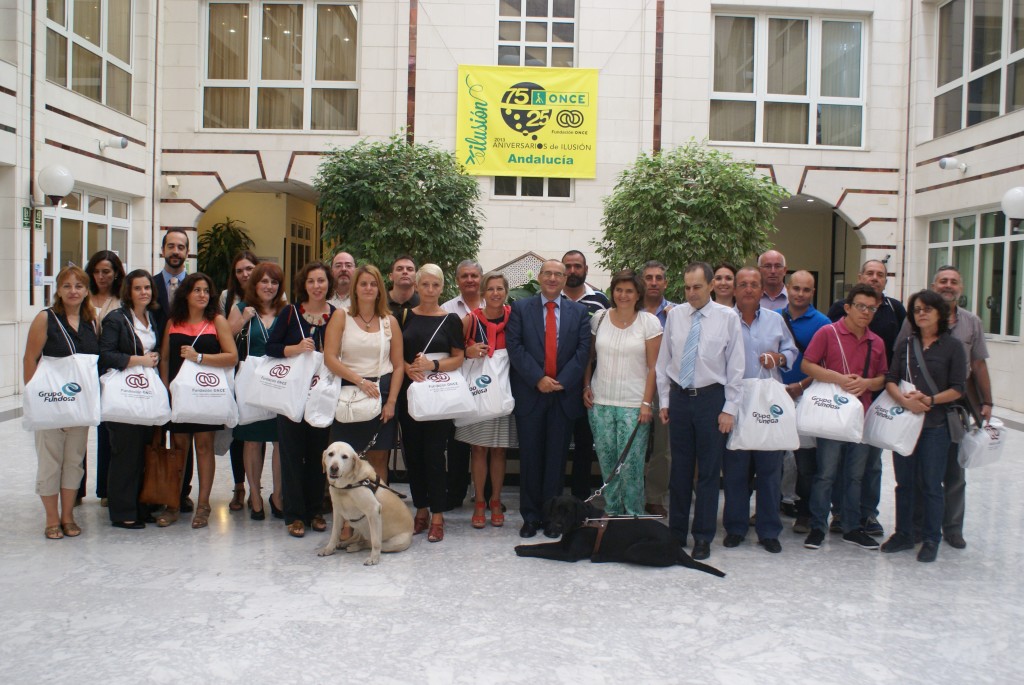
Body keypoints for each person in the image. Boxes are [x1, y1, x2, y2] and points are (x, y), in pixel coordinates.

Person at [895, 265, 993, 550]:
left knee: (953, 472)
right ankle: (916, 529)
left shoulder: (971, 322)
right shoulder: (913, 322)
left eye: (953, 282)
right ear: (934, 285)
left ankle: (951, 529)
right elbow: (900, 358)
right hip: (917, 405)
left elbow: (978, 364)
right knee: (920, 472)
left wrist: (987, 401)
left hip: (955, 405)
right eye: (943, 281)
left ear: (960, 288)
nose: (948, 285)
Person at [655, 262, 745, 561]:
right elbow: (664, 361)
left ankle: (703, 537)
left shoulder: (727, 318)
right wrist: (665, 401)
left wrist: (730, 408)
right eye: (687, 287)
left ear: (711, 286)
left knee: (707, 472)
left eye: (697, 287)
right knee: (679, 470)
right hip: (680, 399)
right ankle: (676, 533)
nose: (691, 293)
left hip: (711, 400)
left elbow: (736, 366)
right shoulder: (675, 315)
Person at [880, 290, 967, 563]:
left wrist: (929, 400)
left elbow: (958, 388)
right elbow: (890, 378)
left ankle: (931, 538)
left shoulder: (953, 347)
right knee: (904, 483)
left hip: (935, 426)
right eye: (917, 310)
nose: (921, 314)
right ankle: (904, 533)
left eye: (927, 309)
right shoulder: (906, 344)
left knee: (931, 484)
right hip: (905, 423)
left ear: (940, 313)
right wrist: (903, 400)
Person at [800, 283, 888, 551]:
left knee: (855, 476)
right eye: (860, 306)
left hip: (861, 417)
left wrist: (867, 383)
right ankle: (817, 527)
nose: (866, 312)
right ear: (848, 307)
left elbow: (883, 378)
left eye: (871, 308)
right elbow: (807, 365)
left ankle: (851, 527)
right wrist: (839, 379)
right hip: (832, 414)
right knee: (826, 474)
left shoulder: (877, 342)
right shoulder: (828, 333)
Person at [507, 259, 591, 539]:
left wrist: (561, 382)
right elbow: (515, 347)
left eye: (558, 274)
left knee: (556, 461)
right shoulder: (520, 308)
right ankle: (530, 517)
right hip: (531, 394)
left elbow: (583, 351)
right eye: (548, 273)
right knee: (530, 459)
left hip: (563, 396)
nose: (553, 278)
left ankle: (553, 519)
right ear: (540, 277)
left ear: (565, 279)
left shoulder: (579, 312)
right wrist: (538, 379)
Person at [826, 259, 906, 537]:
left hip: (879, 398)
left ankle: (868, 513)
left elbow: (902, 352)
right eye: (869, 273)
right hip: (843, 397)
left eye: (880, 274)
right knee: (840, 459)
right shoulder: (840, 307)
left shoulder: (896, 309)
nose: (874, 278)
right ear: (860, 276)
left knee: (871, 462)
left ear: (886, 280)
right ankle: (839, 513)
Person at [722, 268, 798, 554]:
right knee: (735, 472)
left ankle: (768, 531)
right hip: (735, 404)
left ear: (761, 289)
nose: (748, 289)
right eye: (743, 284)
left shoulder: (776, 320)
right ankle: (736, 528)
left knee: (769, 472)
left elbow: (792, 351)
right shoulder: (725, 320)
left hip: (767, 406)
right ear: (735, 290)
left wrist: (779, 358)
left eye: (754, 284)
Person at [24, 266, 99, 539]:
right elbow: (30, 358)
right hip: (51, 404)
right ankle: (52, 519)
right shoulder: (45, 318)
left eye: (78, 286)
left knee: (74, 463)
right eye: (67, 286)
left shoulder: (92, 321)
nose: (73, 291)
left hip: (78, 406)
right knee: (50, 464)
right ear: (58, 290)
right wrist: (34, 398)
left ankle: (68, 516)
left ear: (86, 290)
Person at [159, 273, 238, 529]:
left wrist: (199, 357)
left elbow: (232, 357)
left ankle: (203, 505)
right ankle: (173, 503)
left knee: (204, 448)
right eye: (197, 290)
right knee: (178, 449)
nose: (202, 295)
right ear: (186, 294)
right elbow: (165, 358)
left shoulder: (217, 321)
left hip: (206, 397)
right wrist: (166, 390)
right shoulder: (173, 322)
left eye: (206, 290)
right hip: (179, 398)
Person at [265, 262, 336, 538]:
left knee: (319, 453)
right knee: (292, 455)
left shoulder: (336, 315)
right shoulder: (290, 312)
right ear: (303, 285)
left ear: (328, 283)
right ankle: (294, 515)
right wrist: (295, 348)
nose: (317, 286)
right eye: (311, 281)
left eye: (321, 280)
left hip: (322, 396)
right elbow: (271, 347)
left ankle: (315, 511)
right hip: (292, 395)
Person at [583, 269, 662, 516]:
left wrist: (647, 403)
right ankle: (613, 512)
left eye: (629, 291)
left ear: (638, 294)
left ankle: (633, 515)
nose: (623, 295)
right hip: (600, 403)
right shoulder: (599, 318)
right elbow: (588, 357)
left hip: (634, 406)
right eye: (619, 290)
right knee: (608, 463)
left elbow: (654, 367)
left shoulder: (649, 322)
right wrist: (586, 385)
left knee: (631, 465)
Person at [398, 264, 466, 543]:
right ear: (416, 286)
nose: (429, 290)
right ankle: (421, 510)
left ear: (442, 288)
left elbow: (458, 358)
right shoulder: (403, 316)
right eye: (424, 284)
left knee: (435, 455)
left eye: (435, 285)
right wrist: (407, 368)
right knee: (413, 455)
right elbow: (394, 354)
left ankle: (438, 515)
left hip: (439, 395)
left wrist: (432, 365)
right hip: (410, 393)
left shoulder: (451, 320)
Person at [324, 264, 404, 481]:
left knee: (379, 457)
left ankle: (378, 501)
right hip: (348, 392)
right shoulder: (341, 316)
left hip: (381, 393)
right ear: (355, 288)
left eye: (373, 284)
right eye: (363, 284)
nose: (368, 288)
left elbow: (398, 366)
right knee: (344, 457)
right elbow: (329, 357)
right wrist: (360, 381)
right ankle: (346, 502)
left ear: (379, 289)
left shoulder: (390, 321)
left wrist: (391, 402)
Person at [99, 269, 162, 529]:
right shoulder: (116, 319)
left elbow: (151, 349)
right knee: (125, 454)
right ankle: (122, 511)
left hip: (146, 393)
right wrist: (140, 360)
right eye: (138, 288)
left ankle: (139, 506)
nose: (143, 292)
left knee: (142, 454)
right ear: (128, 291)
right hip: (124, 394)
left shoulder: (151, 317)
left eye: (147, 287)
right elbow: (106, 355)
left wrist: (153, 358)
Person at [456, 272, 517, 528]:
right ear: (483, 293)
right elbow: (454, 352)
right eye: (490, 289)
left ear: (506, 292)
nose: (495, 293)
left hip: (504, 394)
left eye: (499, 288)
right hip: (479, 395)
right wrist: (468, 351)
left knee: (499, 450)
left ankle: (496, 500)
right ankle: (479, 501)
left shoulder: (515, 318)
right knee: (479, 449)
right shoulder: (470, 319)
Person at [227, 261, 286, 520]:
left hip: (279, 383)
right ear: (255, 284)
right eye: (264, 281)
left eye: (274, 282)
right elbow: (224, 337)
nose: (269, 286)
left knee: (280, 441)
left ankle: (278, 495)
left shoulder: (286, 311)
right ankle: (255, 495)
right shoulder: (241, 308)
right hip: (250, 383)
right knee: (252, 440)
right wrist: (243, 320)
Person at [776, 270, 831, 534]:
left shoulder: (823, 324)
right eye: (796, 288)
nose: (800, 294)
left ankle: (806, 513)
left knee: (806, 462)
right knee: (770, 458)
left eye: (806, 290)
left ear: (813, 292)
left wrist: (801, 386)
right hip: (776, 397)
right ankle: (768, 508)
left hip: (805, 397)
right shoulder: (773, 318)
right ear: (787, 288)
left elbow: (826, 364)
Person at [561, 250, 609, 502]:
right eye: (567, 266)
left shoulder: (600, 301)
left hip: (589, 382)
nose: (572, 271)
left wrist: (587, 383)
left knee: (584, 441)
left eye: (577, 266)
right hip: (557, 382)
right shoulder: (551, 297)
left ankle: (580, 496)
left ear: (586, 269)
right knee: (557, 442)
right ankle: (555, 495)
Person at [153, 228, 195, 513]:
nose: (176, 251)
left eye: (181, 247)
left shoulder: (195, 286)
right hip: (153, 369)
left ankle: (182, 492)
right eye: (171, 246)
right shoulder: (150, 284)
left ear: (187, 252)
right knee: (155, 435)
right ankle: (155, 489)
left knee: (183, 436)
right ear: (163, 250)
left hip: (186, 368)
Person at [83, 250, 126, 507]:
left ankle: (106, 489)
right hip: (83, 370)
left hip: (110, 370)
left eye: (106, 271)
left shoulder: (122, 301)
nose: (101, 276)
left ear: (116, 273)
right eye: (97, 271)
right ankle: (75, 489)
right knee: (78, 425)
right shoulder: (83, 297)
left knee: (107, 429)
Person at [441, 260, 484, 509]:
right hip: (455, 383)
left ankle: (485, 495)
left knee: (484, 442)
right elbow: (442, 348)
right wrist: (466, 353)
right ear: (457, 281)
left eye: (474, 276)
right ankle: (455, 493)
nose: (470, 280)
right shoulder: (447, 309)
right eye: (465, 276)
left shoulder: (495, 305)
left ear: (481, 278)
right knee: (456, 441)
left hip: (488, 385)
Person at [222, 250, 259, 513]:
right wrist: (244, 318)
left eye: (249, 269)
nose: (245, 274)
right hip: (236, 371)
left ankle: (256, 487)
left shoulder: (273, 294)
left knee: (259, 432)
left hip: (262, 373)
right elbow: (222, 333)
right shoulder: (228, 298)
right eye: (239, 270)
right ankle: (239, 486)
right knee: (239, 432)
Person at [640, 260, 675, 517]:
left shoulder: (678, 313)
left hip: (665, 387)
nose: (653, 282)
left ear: (665, 283)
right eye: (649, 278)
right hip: (634, 384)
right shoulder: (630, 310)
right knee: (631, 442)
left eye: (658, 278)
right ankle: (628, 493)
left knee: (663, 447)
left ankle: (654, 497)